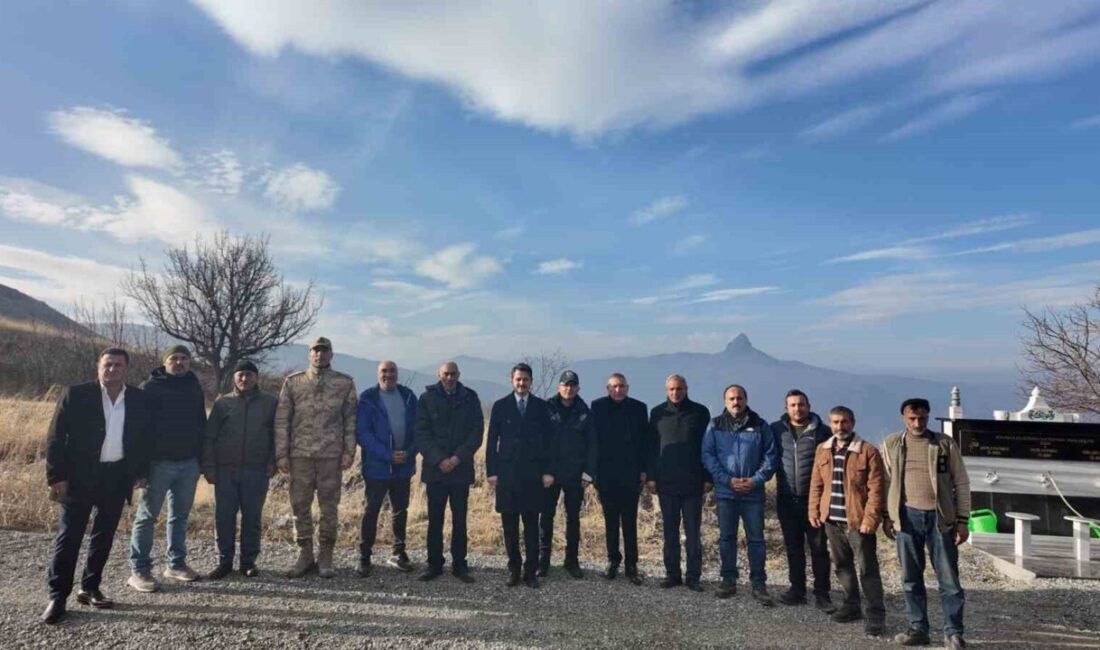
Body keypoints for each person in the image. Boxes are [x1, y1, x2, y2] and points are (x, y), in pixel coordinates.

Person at [42, 348, 152, 625]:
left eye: (118, 365)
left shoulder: (138, 399)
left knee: (103, 537)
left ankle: (90, 587)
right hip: (79, 477)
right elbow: (55, 437)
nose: (112, 369)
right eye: (108, 364)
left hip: (116, 477)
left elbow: (142, 438)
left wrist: (140, 472)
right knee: (69, 538)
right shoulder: (77, 394)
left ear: (126, 369)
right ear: (98, 367)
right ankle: (57, 596)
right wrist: (57, 477)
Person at [882, 398, 971, 649]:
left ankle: (953, 632)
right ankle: (917, 627)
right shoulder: (892, 444)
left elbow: (961, 483)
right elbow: (887, 482)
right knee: (910, 578)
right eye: (912, 418)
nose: (917, 423)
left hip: (940, 519)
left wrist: (963, 520)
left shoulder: (944, 444)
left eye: (922, 418)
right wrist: (887, 515)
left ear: (928, 416)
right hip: (907, 518)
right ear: (903, 418)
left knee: (949, 580)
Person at [275, 337, 358, 579]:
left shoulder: (344, 383)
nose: (319, 355)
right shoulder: (294, 383)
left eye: (324, 351)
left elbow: (351, 420)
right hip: (299, 455)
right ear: (309, 354)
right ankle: (304, 554)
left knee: (329, 507)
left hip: (330, 456)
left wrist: (349, 451)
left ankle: (326, 554)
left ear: (331, 354)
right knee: (299, 505)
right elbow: (282, 421)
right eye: (315, 350)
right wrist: (281, 454)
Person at [127, 344, 207, 593]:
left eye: (184, 358)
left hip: (189, 464)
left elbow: (200, 424)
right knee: (147, 516)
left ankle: (176, 564)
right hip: (158, 464)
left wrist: (201, 460)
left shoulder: (194, 386)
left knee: (180, 516)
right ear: (165, 362)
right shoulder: (150, 388)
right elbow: (137, 431)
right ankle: (139, 570)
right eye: (174, 358)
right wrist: (139, 468)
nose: (179, 362)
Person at [808, 406, 887, 637]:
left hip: (858, 522)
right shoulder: (823, 450)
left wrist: (870, 519)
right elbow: (816, 484)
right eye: (835, 422)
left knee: (867, 569)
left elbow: (877, 490)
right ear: (830, 424)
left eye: (844, 422)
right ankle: (852, 605)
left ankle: (875, 614)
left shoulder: (867, 451)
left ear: (852, 423)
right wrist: (814, 510)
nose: (840, 427)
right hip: (832, 520)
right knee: (842, 566)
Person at [702, 384, 778, 606]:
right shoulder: (715, 425)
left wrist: (755, 481)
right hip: (726, 492)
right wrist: (727, 480)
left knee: (756, 538)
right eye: (731, 399)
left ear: (746, 400)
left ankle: (758, 584)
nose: (736, 402)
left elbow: (770, 457)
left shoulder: (760, 425)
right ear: (725, 401)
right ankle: (728, 580)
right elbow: (708, 455)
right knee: (727, 537)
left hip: (753, 494)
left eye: (739, 398)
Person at [202, 359, 278, 579]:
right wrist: (209, 467)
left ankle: (248, 562)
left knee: (252, 518)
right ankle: (224, 562)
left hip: (257, 471)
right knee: (224, 517)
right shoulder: (222, 404)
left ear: (257, 378)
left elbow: (277, 436)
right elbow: (210, 438)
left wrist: (272, 461)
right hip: (226, 471)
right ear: (234, 378)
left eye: (249, 375)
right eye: (240, 375)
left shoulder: (270, 403)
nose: (244, 379)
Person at [416, 361, 484, 583]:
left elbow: (476, 433)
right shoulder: (426, 399)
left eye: (453, 374)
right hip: (435, 470)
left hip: (460, 469)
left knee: (460, 519)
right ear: (439, 374)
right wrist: (439, 459)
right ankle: (434, 564)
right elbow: (421, 433)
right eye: (446, 374)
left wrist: (456, 458)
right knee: (435, 520)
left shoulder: (470, 398)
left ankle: (459, 565)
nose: (449, 378)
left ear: (459, 374)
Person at [487, 363, 554, 588]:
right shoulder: (500, 406)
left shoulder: (541, 407)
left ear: (531, 381)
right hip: (506, 476)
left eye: (525, 379)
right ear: (512, 380)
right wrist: (491, 472)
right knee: (510, 527)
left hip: (533, 476)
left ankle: (531, 572)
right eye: (518, 379)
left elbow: (549, 442)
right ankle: (514, 569)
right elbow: (491, 442)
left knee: (532, 527)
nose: (521, 383)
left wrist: (548, 471)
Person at [646, 374, 711, 592]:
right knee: (670, 532)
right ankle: (672, 574)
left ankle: (693, 576)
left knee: (693, 532)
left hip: (693, 483)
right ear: (666, 390)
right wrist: (651, 477)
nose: (676, 393)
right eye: (672, 389)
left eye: (680, 389)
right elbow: (652, 449)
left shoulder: (700, 412)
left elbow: (707, 448)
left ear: (686, 389)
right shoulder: (656, 414)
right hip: (666, 483)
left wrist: (708, 478)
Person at [770, 389, 834, 611]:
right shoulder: (776, 430)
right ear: (786, 408)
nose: (797, 409)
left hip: (813, 500)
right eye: (793, 405)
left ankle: (822, 593)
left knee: (818, 548)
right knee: (793, 546)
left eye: (801, 404)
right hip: (786, 499)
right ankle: (797, 589)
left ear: (809, 405)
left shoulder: (823, 432)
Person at [355, 360, 418, 577]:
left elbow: (419, 428)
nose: (388, 375)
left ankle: (398, 553)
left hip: (403, 466)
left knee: (400, 511)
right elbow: (363, 434)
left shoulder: (409, 396)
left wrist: (409, 452)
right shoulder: (368, 398)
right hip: (377, 466)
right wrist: (387, 455)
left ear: (397, 374)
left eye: (392, 371)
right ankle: (364, 556)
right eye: (384, 371)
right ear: (377, 374)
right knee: (371, 510)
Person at [590, 372, 650, 585]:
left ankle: (632, 565)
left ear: (627, 387)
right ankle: (613, 561)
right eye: (614, 386)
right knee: (610, 521)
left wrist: (645, 470)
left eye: (622, 386)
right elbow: (592, 442)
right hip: (605, 476)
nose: (618, 390)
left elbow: (646, 442)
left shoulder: (639, 408)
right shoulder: (596, 407)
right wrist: (593, 473)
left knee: (630, 522)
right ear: (608, 388)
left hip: (631, 475)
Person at [539, 370, 597, 579]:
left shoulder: (585, 412)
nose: (569, 388)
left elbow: (593, 445)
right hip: (551, 474)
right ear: (559, 387)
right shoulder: (546, 408)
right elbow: (540, 442)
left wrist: (588, 474)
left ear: (578, 388)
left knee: (573, 519)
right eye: (565, 384)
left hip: (575, 474)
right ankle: (543, 561)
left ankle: (571, 561)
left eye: (573, 385)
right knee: (546, 517)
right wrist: (544, 470)